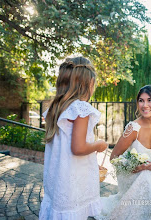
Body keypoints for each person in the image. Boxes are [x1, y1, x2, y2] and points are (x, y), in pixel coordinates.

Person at [39, 56, 108, 219]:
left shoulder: (56, 108)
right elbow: (78, 148)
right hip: (72, 186)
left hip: (58, 181)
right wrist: (98, 145)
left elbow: (65, 148)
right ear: (87, 84)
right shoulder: (80, 109)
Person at [97, 85, 151, 220]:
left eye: (150, 100)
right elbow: (114, 157)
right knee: (147, 176)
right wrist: (141, 167)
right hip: (133, 173)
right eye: (141, 100)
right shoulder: (133, 128)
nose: (145, 105)